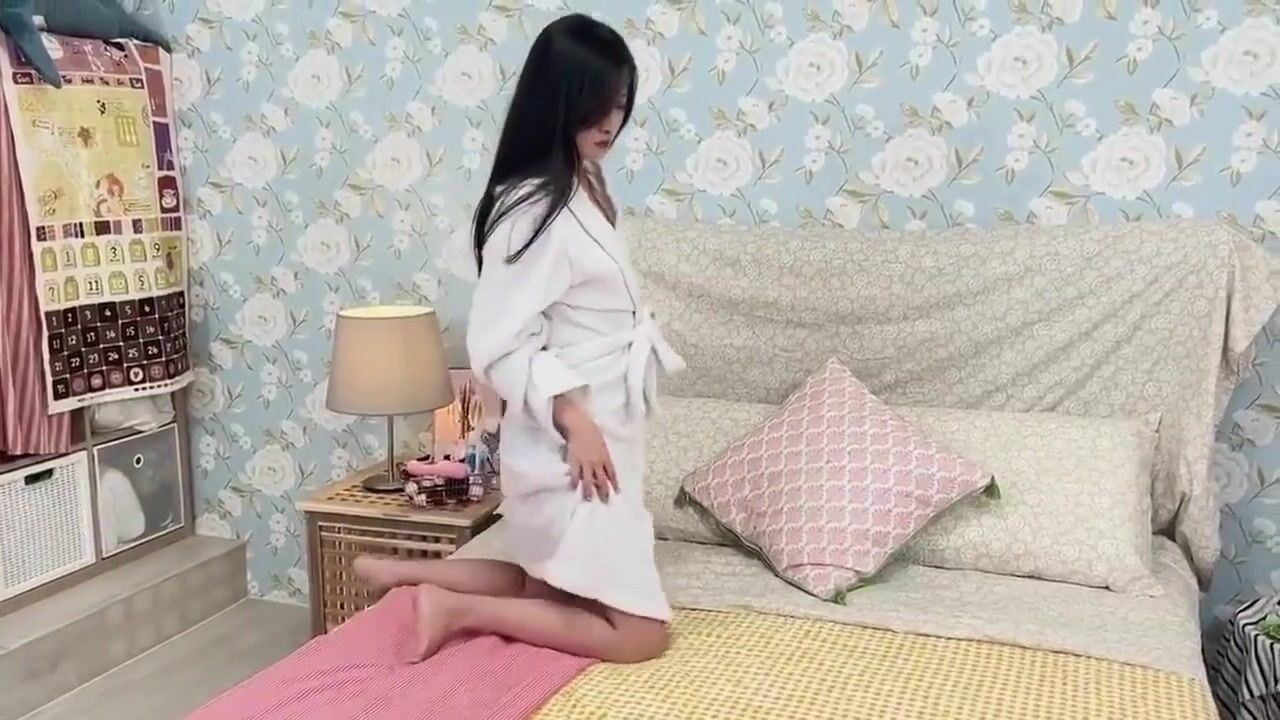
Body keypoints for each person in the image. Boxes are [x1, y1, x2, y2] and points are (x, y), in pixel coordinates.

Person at [353, 13, 684, 665]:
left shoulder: (583, 181)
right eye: (597, 105)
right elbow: (498, 343)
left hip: (600, 427)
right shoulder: (532, 208)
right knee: (642, 636)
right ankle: (456, 608)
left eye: (621, 104)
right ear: (558, 102)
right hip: (573, 438)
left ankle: (403, 575)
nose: (611, 122)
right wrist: (575, 420)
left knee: (548, 584)